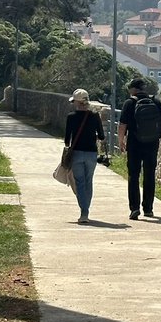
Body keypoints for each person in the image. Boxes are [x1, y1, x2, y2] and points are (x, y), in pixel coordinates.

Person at [118, 77, 161, 220]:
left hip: (134, 143)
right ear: (143, 88)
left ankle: (134, 208)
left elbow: (122, 125)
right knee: (149, 175)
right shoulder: (155, 102)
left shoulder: (129, 103)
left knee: (133, 176)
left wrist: (121, 141)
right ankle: (148, 209)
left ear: (132, 89)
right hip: (152, 143)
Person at [64, 88, 105, 224]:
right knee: (88, 181)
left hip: (76, 153)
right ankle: (86, 210)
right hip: (91, 153)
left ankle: (84, 211)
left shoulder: (71, 117)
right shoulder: (94, 116)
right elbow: (101, 136)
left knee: (80, 183)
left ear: (77, 102)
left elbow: (66, 140)